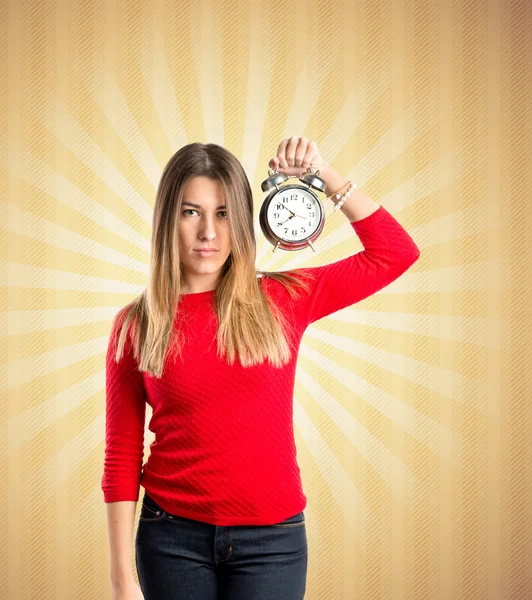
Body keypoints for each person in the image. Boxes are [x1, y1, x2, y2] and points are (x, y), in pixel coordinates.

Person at [102, 137, 420, 599]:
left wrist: (324, 176)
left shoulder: (284, 297)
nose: (208, 232)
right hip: (171, 538)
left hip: (274, 543)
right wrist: (121, 580)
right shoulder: (136, 323)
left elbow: (395, 252)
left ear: (243, 222)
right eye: (191, 212)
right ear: (167, 218)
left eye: (224, 213)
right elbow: (122, 452)